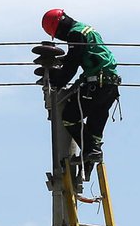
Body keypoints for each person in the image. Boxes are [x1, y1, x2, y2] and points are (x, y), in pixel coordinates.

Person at [41, 9, 121, 180]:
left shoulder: (75, 34)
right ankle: (90, 159)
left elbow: (72, 64)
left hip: (97, 84)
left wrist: (56, 82)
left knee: (70, 117)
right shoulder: (87, 30)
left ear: (59, 27)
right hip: (110, 86)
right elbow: (78, 57)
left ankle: (91, 150)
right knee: (94, 129)